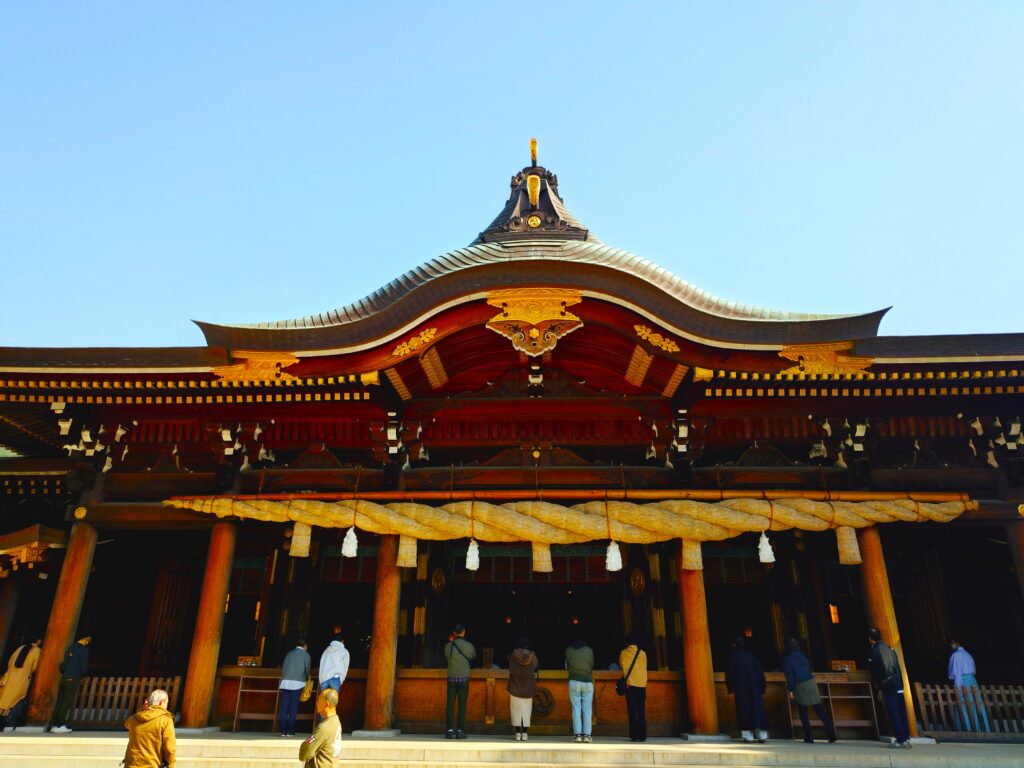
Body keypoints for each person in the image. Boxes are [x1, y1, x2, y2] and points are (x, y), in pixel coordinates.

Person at [782, 637, 837, 744]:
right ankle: (832, 734)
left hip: (800, 685)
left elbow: (790, 677)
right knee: (820, 710)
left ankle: (809, 736)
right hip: (811, 683)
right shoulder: (802, 656)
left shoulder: (788, 659)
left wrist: (790, 690)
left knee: (803, 712)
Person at [867, 627, 910, 748]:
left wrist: (878, 684)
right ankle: (906, 736)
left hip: (887, 684)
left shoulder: (875, 651)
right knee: (902, 711)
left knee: (894, 712)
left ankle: (900, 739)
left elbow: (875, 670)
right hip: (898, 682)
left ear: (870, 639)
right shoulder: (890, 648)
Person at [725, 636, 767, 743]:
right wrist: (762, 687)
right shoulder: (751, 656)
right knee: (757, 711)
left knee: (744, 711)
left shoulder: (733, 657)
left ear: (734, 645)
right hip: (755, 688)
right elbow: (760, 673)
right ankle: (761, 735)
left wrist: (730, 687)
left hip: (741, 689)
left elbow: (729, 674)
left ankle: (748, 736)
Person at [122, 688, 176, 768]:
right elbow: (170, 748)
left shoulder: (134, 718)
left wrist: (143, 710)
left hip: (131, 764)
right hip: (153, 765)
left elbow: (126, 724)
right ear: (162, 702)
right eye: (166, 703)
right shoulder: (166, 720)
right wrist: (171, 765)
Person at [50, 633, 91, 733]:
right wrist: (84, 674)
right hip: (74, 677)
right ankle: (60, 725)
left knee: (60, 701)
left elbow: (63, 664)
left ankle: (54, 725)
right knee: (66, 702)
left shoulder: (70, 648)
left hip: (65, 677)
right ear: (86, 639)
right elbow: (83, 664)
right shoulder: (83, 650)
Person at [948, 639, 989, 732]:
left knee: (964, 704)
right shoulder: (968, 654)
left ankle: (967, 728)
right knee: (976, 703)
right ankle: (979, 727)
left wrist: (958, 687)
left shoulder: (956, 655)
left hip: (963, 680)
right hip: (972, 680)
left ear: (955, 643)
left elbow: (957, 672)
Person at [0, 637, 41, 731]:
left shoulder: (20, 648)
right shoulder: (36, 651)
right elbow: (35, 667)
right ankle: (9, 725)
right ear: (39, 641)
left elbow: (10, 662)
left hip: (9, 677)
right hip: (21, 679)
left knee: (3, 701)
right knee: (16, 701)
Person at [443, 624, 475, 739]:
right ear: (464, 632)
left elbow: (447, 656)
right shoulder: (469, 646)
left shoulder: (448, 646)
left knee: (450, 705)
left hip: (451, 678)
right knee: (462, 705)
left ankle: (450, 731)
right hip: (464, 678)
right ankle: (461, 731)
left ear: (454, 632)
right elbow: (472, 656)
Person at [299, 688, 342, 768]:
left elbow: (304, 754)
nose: (316, 703)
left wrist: (304, 744)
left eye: (319, 700)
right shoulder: (336, 720)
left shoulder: (323, 728)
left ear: (326, 704)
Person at [507, 636, 539, 741]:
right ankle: (524, 734)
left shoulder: (513, 655)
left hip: (515, 686)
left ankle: (517, 734)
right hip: (528, 688)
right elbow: (536, 667)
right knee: (526, 711)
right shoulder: (532, 656)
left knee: (516, 711)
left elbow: (510, 668)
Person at [619, 633, 648, 743]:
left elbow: (621, 665)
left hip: (629, 685)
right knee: (641, 711)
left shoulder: (623, 653)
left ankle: (634, 735)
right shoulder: (643, 654)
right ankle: (643, 735)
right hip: (641, 684)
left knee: (632, 710)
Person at [279, 638, 311, 737]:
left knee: (283, 707)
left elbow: (284, 667)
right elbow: (307, 670)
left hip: (285, 683)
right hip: (298, 684)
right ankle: (289, 731)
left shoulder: (289, 654)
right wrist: (306, 679)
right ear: (305, 646)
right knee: (293, 707)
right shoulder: (306, 655)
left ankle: (282, 730)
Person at [565, 636, 594, 743]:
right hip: (587, 680)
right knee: (587, 709)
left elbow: (567, 665)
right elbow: (591, 664)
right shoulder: (589, 650)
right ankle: (586, 735)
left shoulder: (568, 650)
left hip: (574, 680)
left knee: (576, 708)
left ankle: (577, 735)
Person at [318, 628, 349, 696]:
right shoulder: (344, 651)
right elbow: (345, 667)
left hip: (324, 678)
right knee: (332, 704)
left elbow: (321, 665)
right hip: (336, 678)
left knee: (323, 703)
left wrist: (321, 680)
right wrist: (341, 680)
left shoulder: (326, 651)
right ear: (342, 641)